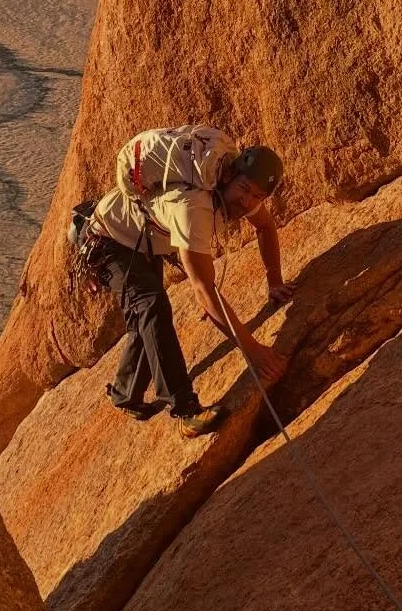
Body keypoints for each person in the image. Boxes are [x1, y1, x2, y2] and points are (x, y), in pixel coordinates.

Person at [88, 137, 293, 437]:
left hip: (143, 236)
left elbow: (264, 225)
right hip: (110, 240)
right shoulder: (194, 206)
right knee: (151, 306)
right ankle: (185, 411)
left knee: (144, 316)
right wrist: (254, 352)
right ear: (228, 176)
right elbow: (204, 291)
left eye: (257, 196)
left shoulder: (234, 187)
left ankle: (125, 393)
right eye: (245, 190)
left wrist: (274, 280)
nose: (247, 201)